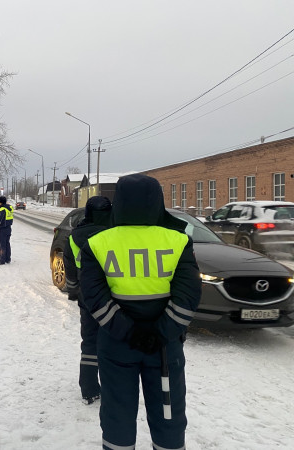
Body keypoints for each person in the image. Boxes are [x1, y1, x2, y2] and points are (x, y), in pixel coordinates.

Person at [80, 173, 202, 450]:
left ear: (119, 202)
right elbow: (188, 295)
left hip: (116, 344)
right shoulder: (178, 240)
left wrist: (130, 332)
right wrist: (161, 332)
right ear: (158, 201)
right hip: (164, 347)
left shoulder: (98, 243)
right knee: (169, 413)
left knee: (117, 414)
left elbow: (94, 298)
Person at [63, 196, 112, 405]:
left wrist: (74, 291)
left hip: (88, 296)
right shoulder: (115, 233)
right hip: (114, 295)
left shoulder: (75, 236)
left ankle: (89, 388)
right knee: (113, 342)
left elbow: (70, 269)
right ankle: (114, 386)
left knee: (90, 340)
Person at [0, 195, 13, 265]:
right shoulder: (9, 208)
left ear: (0, 202)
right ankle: (8, 259)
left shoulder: (2, 210)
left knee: (1, 245)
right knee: (7, 244)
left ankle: (1, 260)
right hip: (8, 228)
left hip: (2, 229)